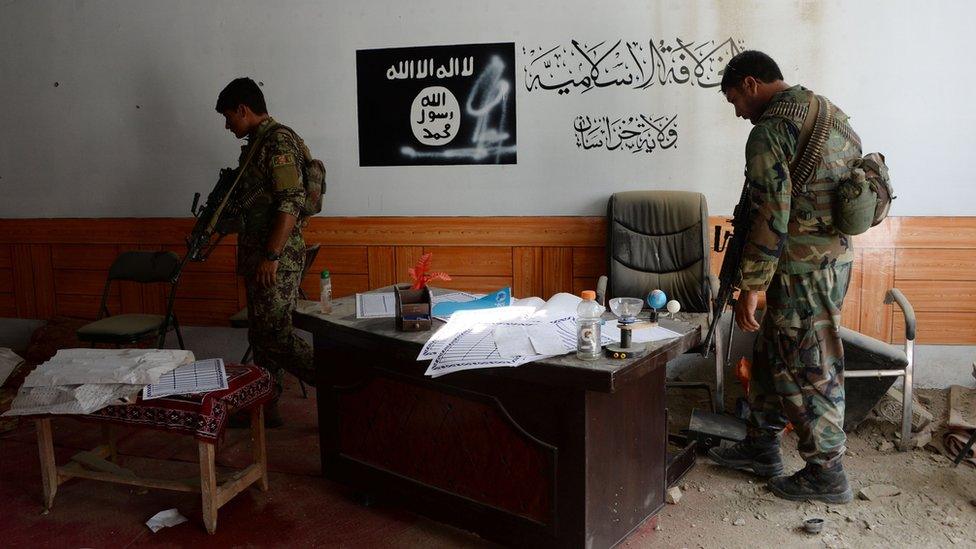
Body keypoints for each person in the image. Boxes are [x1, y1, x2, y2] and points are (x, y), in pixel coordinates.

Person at [708, 51, 861, 504]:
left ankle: (827, 473)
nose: (738, 111)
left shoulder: (771, 130)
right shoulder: (828, 111)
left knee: (812, 368)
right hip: (831, 262)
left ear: (751, 83)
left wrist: (751, 286)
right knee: (776, 352)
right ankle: (762, 447)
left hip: (798, 272)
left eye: (735, 99)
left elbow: (772, 213)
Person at [215, 77, 315, 427]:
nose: (228, 126)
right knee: (260, 333)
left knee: (275, 333)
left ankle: (339, 385)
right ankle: (264, 405)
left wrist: (271, 256)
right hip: (261, 256)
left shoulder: (278, 141)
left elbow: (292, 200)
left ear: (243, 109)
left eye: (229, 117)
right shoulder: (257, 144)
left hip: (277, 258)